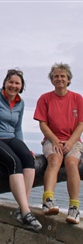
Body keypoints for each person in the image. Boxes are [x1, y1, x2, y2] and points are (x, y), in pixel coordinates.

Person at [0, 69, 42, 231]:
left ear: (21, 86)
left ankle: (23, 209)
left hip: (12, 137)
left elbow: (17, 127)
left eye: (17, 83)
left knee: (29, 161)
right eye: (11, 82)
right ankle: (26, 211)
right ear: (5, 82)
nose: (13, 86)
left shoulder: (20, 103)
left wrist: (23, 147)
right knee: (14, 163)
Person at [34, 63, 83, 224]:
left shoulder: (77, 98)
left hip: (72, 139)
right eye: (56, 76)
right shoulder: (45, 98)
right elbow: (42, 124)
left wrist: (70, 142)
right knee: (55, 160)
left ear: (68, 80)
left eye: (63, 76)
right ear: (52, 80)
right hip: (51, 138)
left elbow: (81, 124)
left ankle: (74, 208)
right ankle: (48, 200)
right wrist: (55, 140)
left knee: (71, 163)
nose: (59, 79)